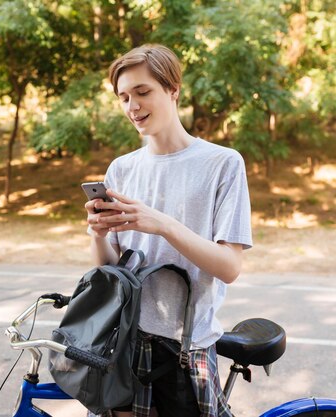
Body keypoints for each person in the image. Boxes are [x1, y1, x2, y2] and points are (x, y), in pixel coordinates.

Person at [85, 44, 253, 417]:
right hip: (123, 343)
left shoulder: (222, 164)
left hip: (184, 349)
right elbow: (110, 271)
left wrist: (162, 224)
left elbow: (229, 267)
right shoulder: (122, 169)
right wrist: (97, 235)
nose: (133, 106)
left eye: (143, 92)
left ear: (173, 90)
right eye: (124, 97)